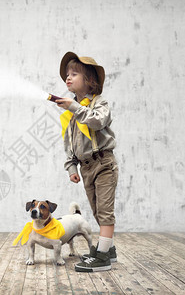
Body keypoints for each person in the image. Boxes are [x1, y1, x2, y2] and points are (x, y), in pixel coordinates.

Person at [56, 52, 118, 272]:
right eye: (66, 75)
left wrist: (73, 108)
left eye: (74, 74)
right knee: (96, 209)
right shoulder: (70, 112)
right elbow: (70, 142)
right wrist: (72, 166)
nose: (68, 78)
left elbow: (97, 121)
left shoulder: (99, 103)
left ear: (90, 79)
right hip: (86, 168)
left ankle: (102, 256)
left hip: (103, 163)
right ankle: (107, 249)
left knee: (104, 210)